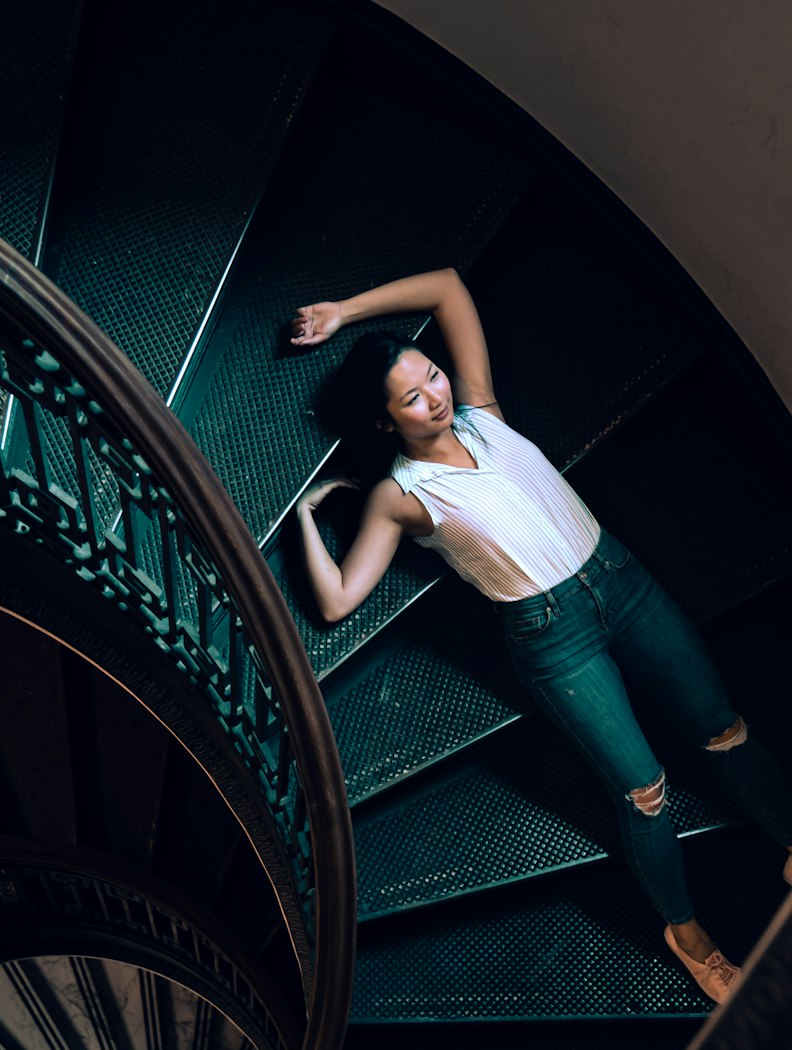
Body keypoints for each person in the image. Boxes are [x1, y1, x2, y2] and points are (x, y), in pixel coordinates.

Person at [290, 267, 792, 1005]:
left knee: (725, 729)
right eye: (414, 398)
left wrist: (344, 310)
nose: (436, 395)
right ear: (384, 422)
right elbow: (336, 601)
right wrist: (307, 517)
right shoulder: (402, 498)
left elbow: (450, 288)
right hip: (555, 639)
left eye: (432, 376)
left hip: (622, 579)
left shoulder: (482, 412)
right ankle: (692, 940)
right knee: (645, 792)